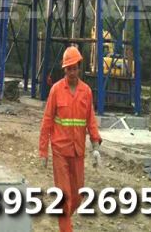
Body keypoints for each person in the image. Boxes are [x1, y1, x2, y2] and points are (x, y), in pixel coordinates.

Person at [39, 46, 102, 232]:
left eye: (74, 68)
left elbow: (91, 120)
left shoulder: (86, 91)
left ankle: (63, 216)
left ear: (79, 68)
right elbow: (47, 122)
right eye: (69, 69)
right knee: (65, 197)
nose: (72, 72)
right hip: (60, 151)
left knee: (77, 197)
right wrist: (43, 152)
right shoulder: (56, 90)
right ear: (64, 69)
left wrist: (96, 147)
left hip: (77, 152)